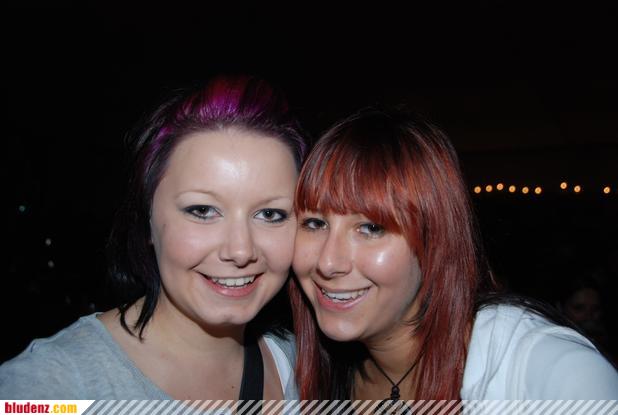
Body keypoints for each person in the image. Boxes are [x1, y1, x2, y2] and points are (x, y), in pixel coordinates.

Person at [0, 75, 307, 400]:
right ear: (147, 219)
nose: (241, 250)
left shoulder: (304, 367)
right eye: (202, 210)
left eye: (270, 214)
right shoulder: (53, 386)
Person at [289, 107, 618, 402]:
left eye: (371, 228)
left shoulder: (546, 372)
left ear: (435, 241)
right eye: (315, 223)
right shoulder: (307, 375)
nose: (328, 262)